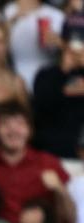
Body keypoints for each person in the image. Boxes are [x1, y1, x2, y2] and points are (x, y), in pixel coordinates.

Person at [0, 102, 74, 223]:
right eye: (5, 124)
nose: (13, 130)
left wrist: (60, 191)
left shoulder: (49, 163)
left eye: (20, 124)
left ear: (30, 131)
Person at [31, 22, 84, 159]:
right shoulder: (47, 74)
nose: (77, 50)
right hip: (52, 154)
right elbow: (42, 110)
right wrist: (63, 71)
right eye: (72, 43)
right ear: (63, 44)